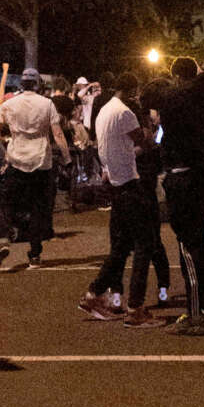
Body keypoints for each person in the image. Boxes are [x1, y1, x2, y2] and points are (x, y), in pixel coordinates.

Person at [78, 73, 158, 327]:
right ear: (132, 90)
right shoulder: (125, 113)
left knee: (122, 246)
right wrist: (149, 125)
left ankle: (94, 293)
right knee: (144, 244)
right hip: (129, 183)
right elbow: (145, 142)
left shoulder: (104, 111)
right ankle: (136, 308)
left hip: (115, 181)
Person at [155, 59, 204, 333]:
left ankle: (197, 314)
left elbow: (155, 101)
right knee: (198, 242)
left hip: (183, 177)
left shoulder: (178, 102)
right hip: (201, 176)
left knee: (188, 245)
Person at [0, 68, 70, 270]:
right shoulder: (47, 104)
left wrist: (5, 151)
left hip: (16, 159)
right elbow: (57, 134)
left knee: (7, 203)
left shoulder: (9, 104)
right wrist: (66, 158)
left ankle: (3, 239)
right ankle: (34, 254)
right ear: (38, 84)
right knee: (37, 209)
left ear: (22, 84)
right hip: (41, 162)